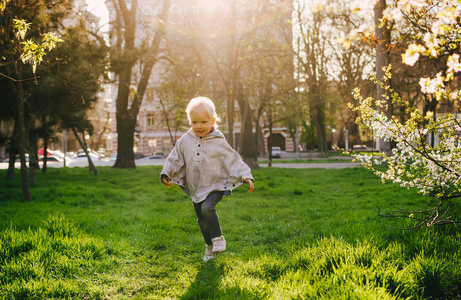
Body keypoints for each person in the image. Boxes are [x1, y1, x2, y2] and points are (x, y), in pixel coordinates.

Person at [160, 96, 254, 261]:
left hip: (216, 185)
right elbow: (174, 157)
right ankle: (209, 248)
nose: (199, 126)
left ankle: (218, 238)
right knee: (202, 222)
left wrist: (245, 175)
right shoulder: (185, 140)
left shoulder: (218, 140)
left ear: (213, 120)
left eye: (203, 122)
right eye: (194, 122)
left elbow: (232, 158)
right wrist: (166, 172)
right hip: (196, 186)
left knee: (207, 208)